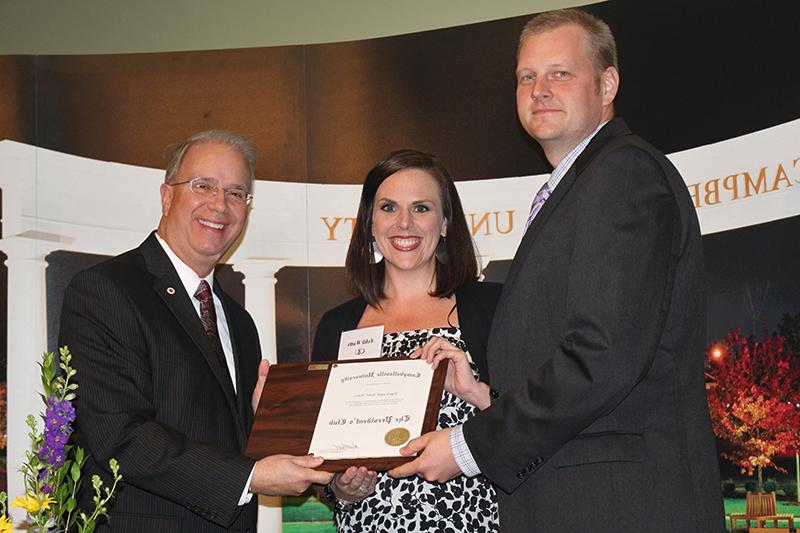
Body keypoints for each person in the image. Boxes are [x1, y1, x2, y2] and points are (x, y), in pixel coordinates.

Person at [389, 9, 725, 532]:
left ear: (607, 83)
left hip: (619, 507)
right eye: (527, 77)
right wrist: (482, 395)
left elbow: (602, 355)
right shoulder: (580, 187)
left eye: (560, 73)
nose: (539, 89)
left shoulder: (623, 175)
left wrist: (466, 445)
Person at [59, 130, 333, 532]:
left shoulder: (239, 322)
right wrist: (250, 477)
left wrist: (269, 422)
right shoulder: (106, 290)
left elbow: (225, 437)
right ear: (167, 196)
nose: (220, 204)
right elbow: (119, 436)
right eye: (203, 185)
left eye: (237, 193)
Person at [311, 149, 502, 532]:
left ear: (445, 223)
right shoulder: (337, 326)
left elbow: (535, 423)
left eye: (421, 209)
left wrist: (475, 392)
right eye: (388, 208)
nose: (404, 224)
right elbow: (323, 457)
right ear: (369, 223)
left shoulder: (492, 308)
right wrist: (341, 488)